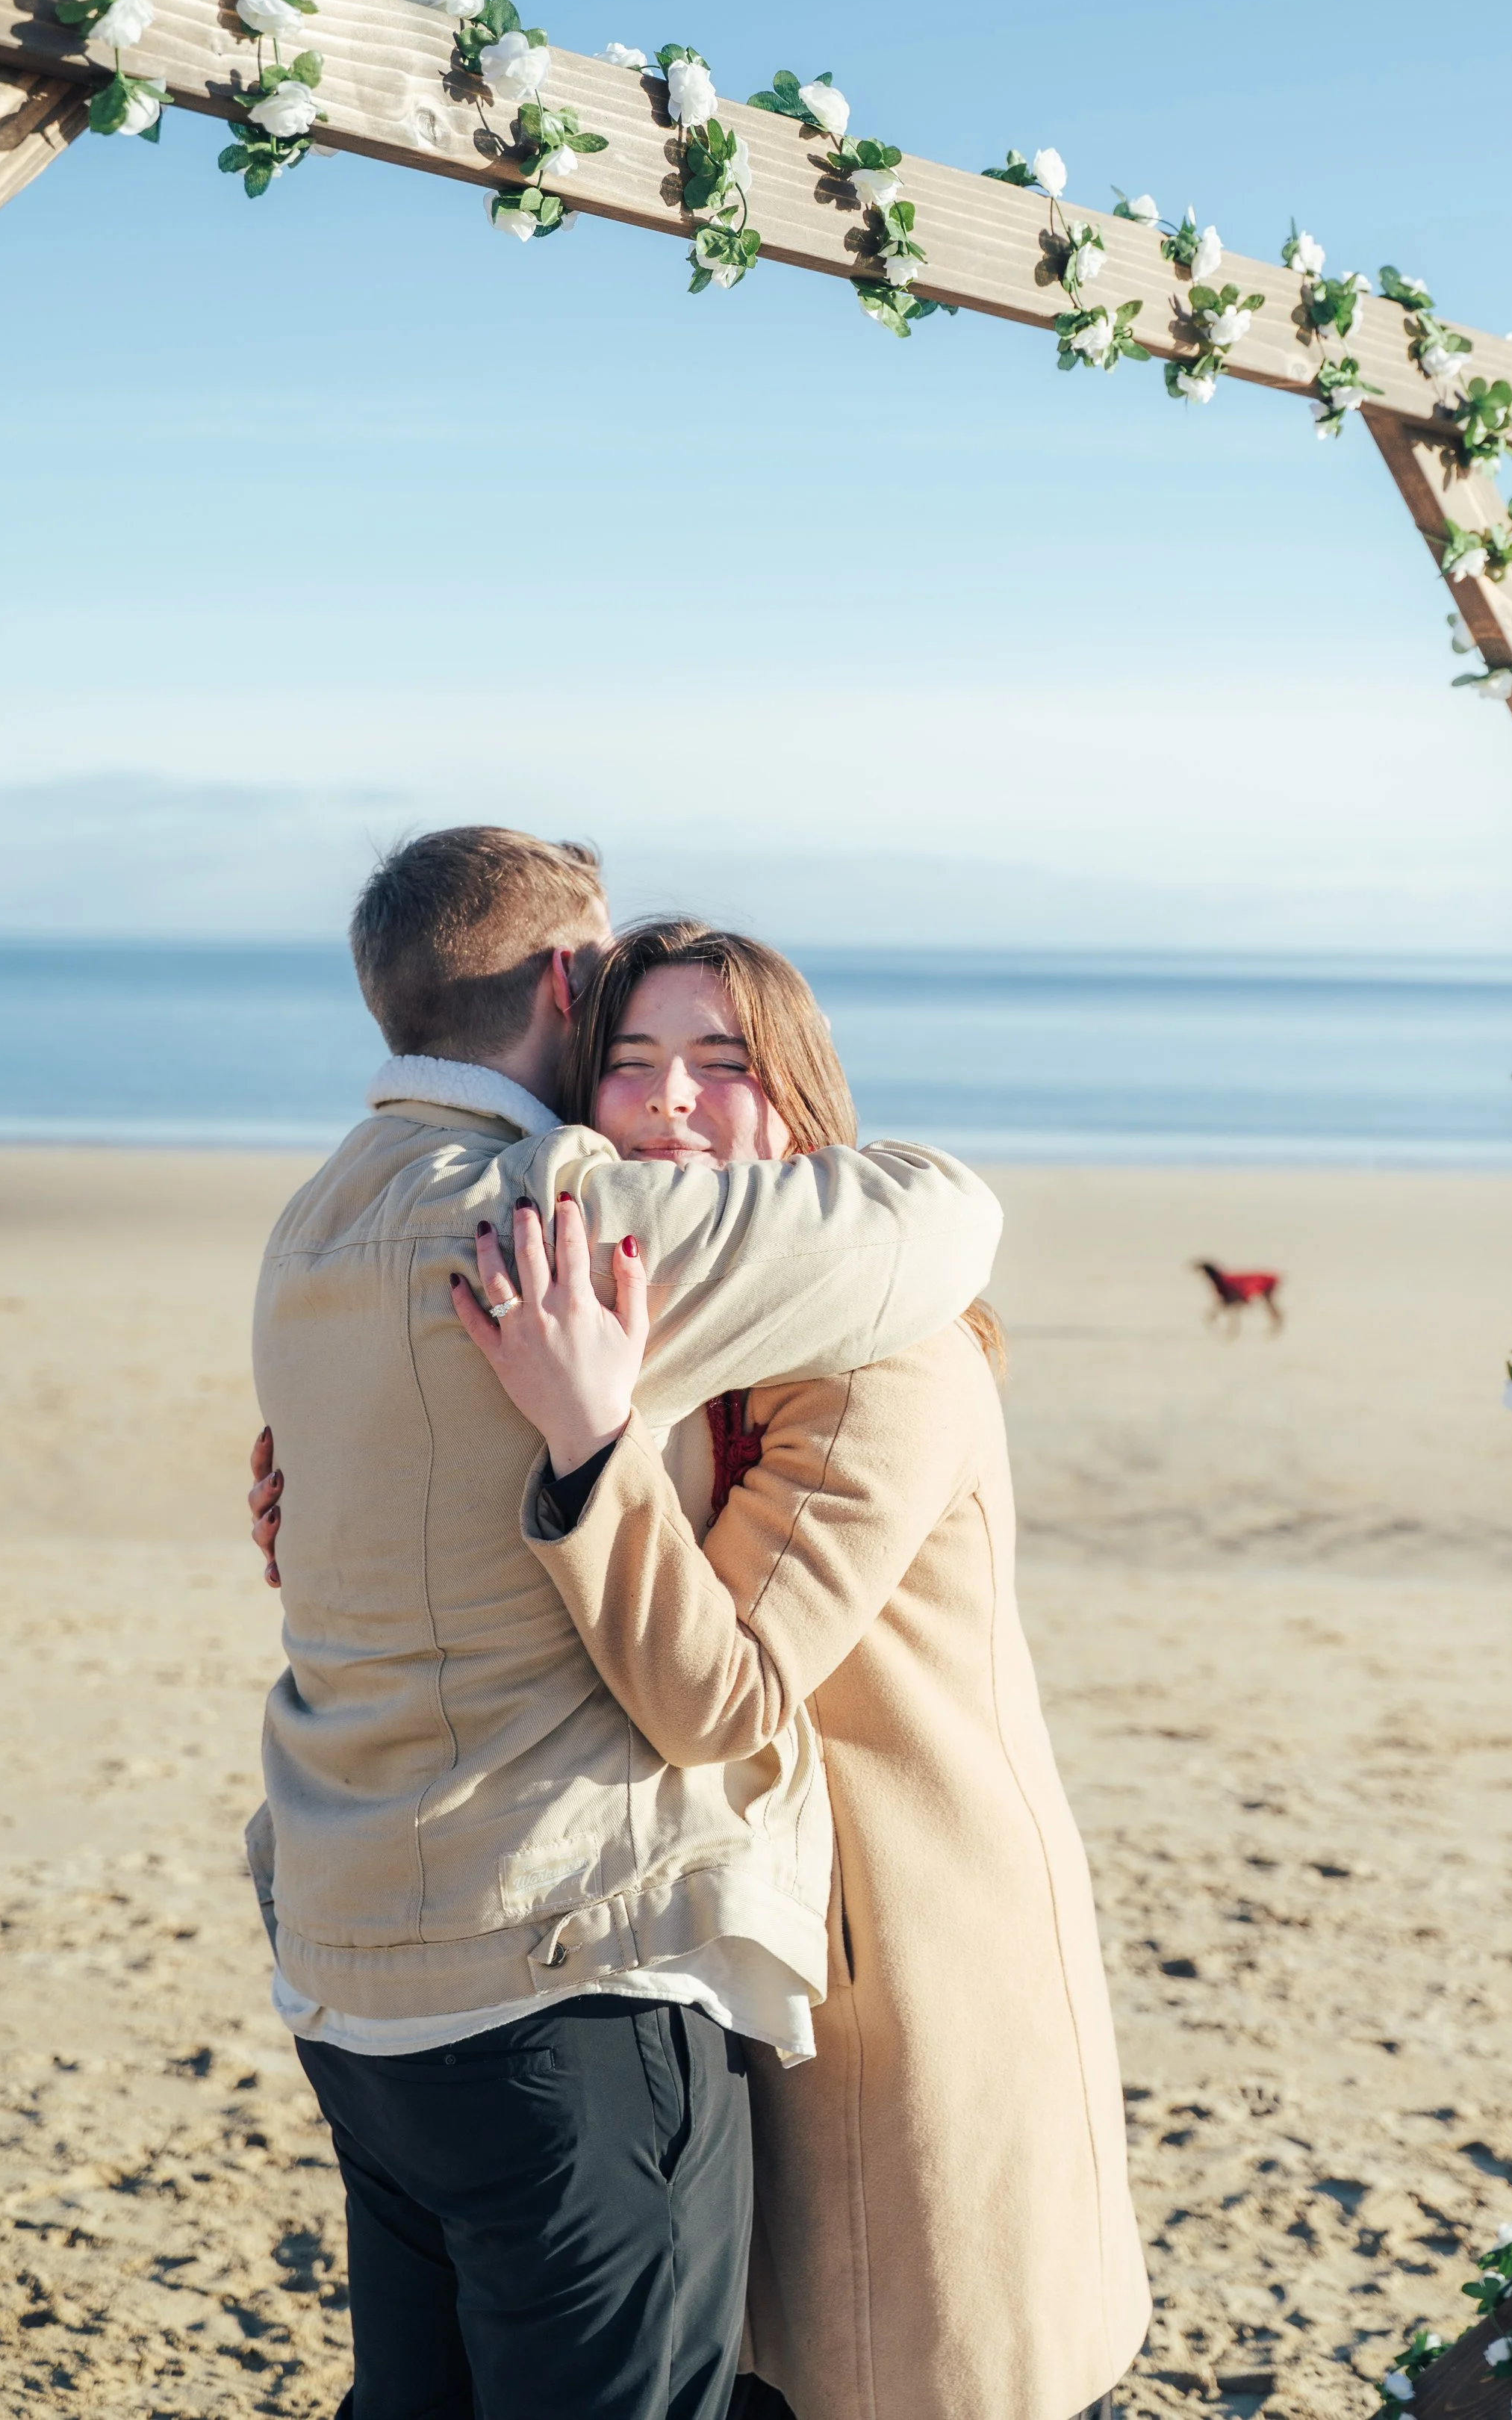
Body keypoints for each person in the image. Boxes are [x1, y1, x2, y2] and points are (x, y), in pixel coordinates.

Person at [246, 832, 1004, 2420]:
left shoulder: (312, 1219)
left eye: (714, 1063)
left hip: (349, 1964)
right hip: (554, 1967)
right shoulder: (562, 1217)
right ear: (563, 983)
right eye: (623, 1029)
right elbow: (938, 1219)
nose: (656, 1090)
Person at [442, 917, 1152, 2420]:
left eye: (722, 1063)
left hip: (903, 1944)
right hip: (739, 1932)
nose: (673, 1102)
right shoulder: (671, 1330)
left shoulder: (879, 1356)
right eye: (629, 1065)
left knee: (918, 2366)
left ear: (800, 1103)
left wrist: (586, 1446)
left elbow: (722, 1690)